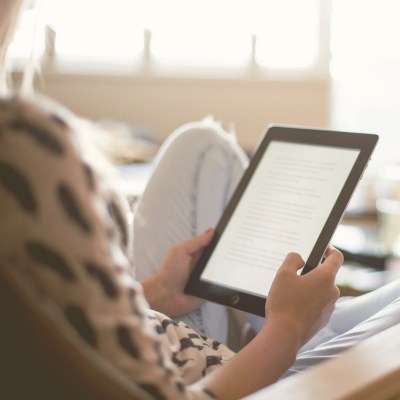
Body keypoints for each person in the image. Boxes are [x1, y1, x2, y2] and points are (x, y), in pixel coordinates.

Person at [1, 1, 400, 399]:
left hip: (166, 326)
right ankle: (305, 326)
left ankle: (299, 320)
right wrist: (286, 331)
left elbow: (69, 320)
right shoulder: (23, 146)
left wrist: (155, 291)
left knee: (202, 145)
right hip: (227, 377)